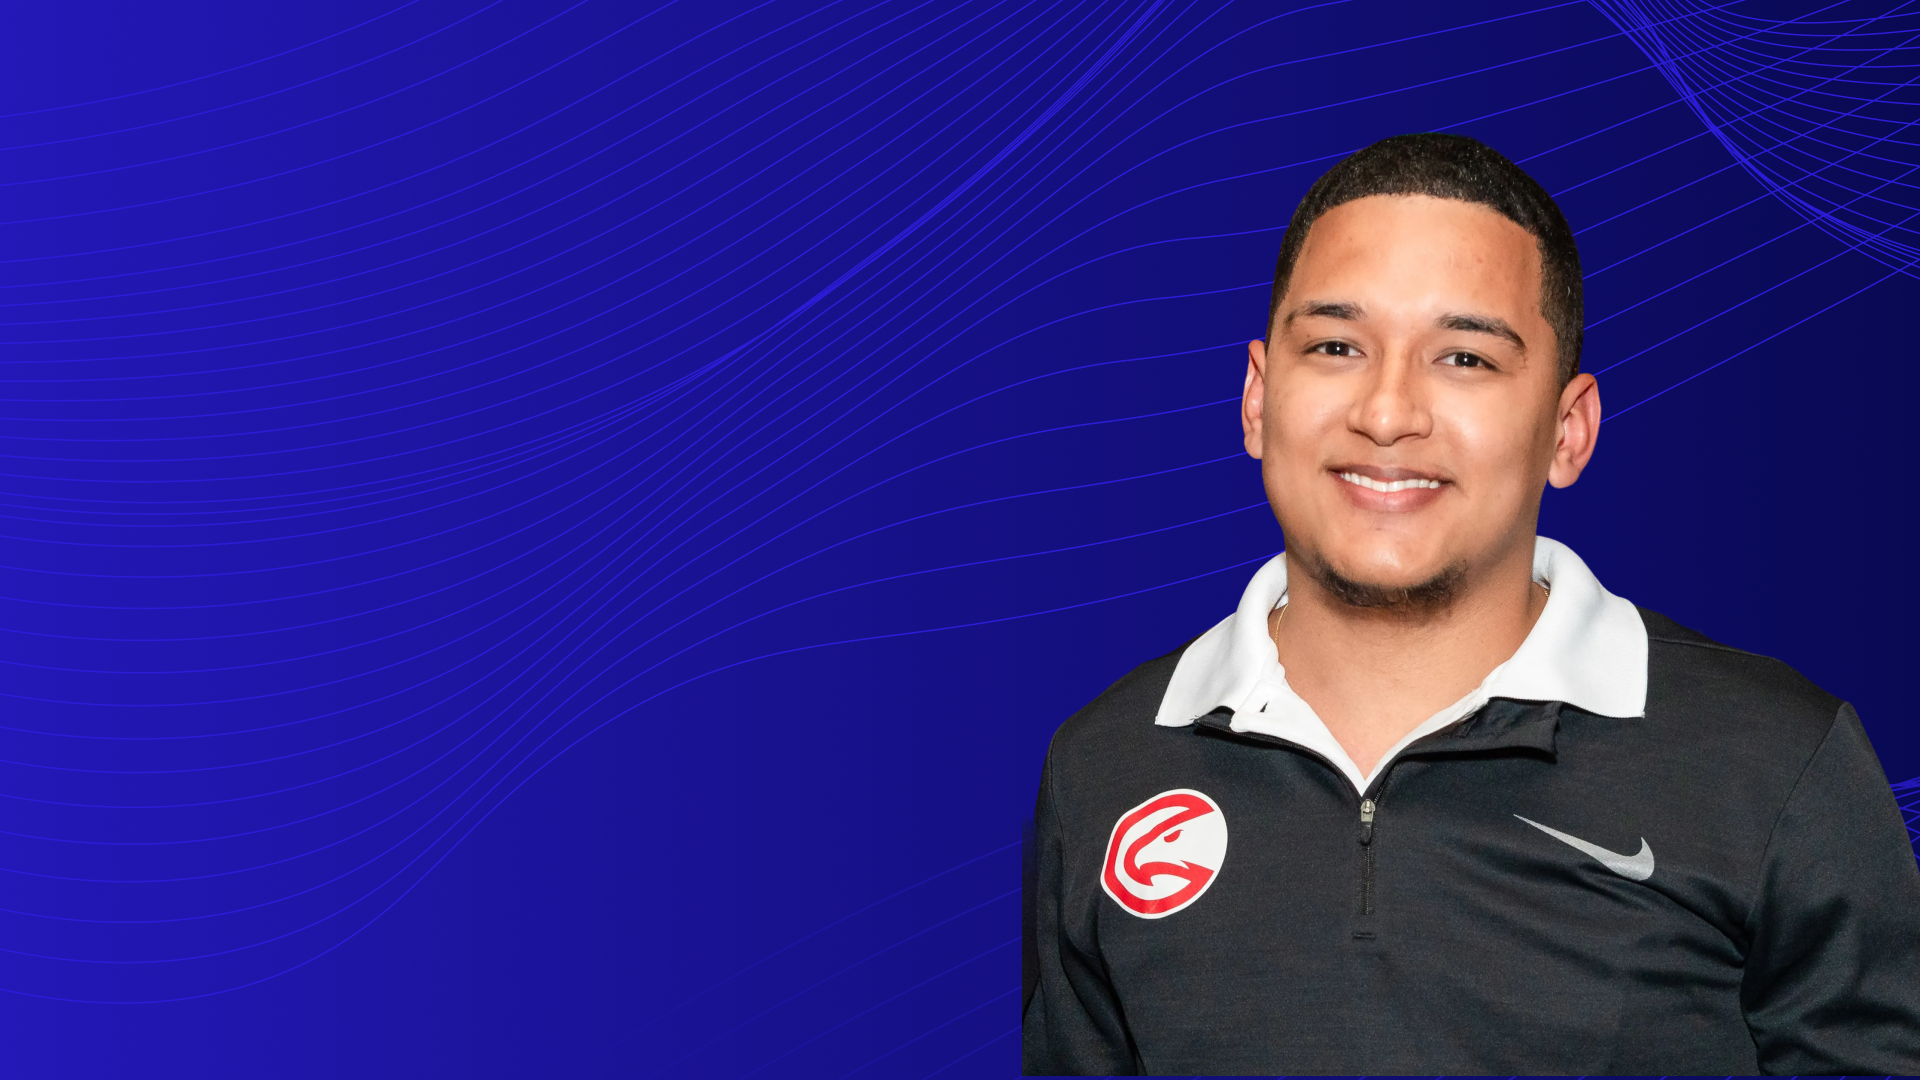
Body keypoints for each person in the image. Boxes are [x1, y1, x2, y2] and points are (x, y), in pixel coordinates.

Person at [1020, 132, 1920, 1075]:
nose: (1387, 411)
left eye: (1464, 360)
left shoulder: (1774, 762)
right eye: (1336, 345)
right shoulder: (1104, 766)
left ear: (1568, 432)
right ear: (1256, 399)